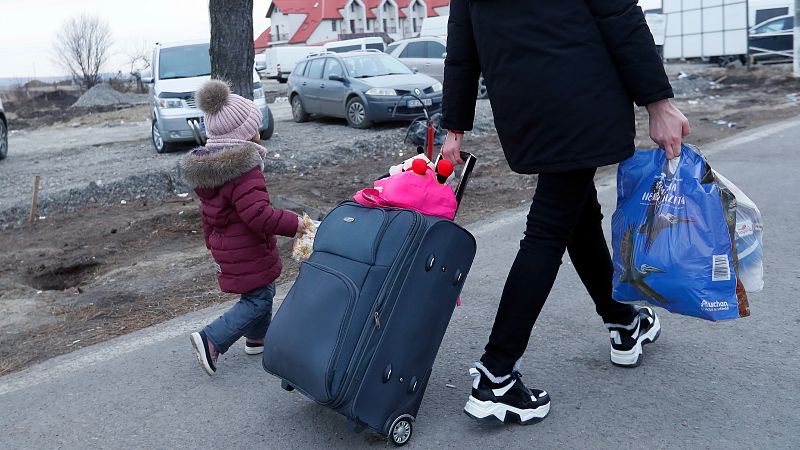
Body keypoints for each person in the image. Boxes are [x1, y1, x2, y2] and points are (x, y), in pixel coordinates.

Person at [441, 0, 690, 424]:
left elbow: (462, 50)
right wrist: (658, 102)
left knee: (577, 213)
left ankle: (622, 321)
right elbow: (618, 15)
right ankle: (496, 375)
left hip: (525, 110)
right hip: (582, 99)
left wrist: (454, 128)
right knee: (547, 228)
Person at [181, 80, 308, 376]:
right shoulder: (244, 171)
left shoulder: (212, 170)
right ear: (246, 134)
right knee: (259, 297)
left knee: (261, 290)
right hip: (247, 246)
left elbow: (207, 214)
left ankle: (257, 338)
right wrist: (296, 225)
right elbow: (260, 216)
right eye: (256, 126)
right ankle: (211, 338)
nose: (260, 131)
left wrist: (211, 244)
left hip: (228, 246)